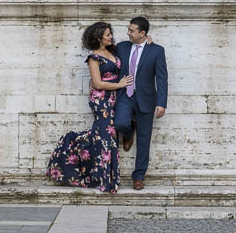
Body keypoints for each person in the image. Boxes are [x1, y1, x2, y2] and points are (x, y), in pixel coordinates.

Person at [45, 22, 132, 193]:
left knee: (104, 136)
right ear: (98, 38)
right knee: (106, 137)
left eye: (110, 33)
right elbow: (98, 83)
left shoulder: (113, 51)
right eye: (107, 34)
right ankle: (104, 180)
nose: (111, 37)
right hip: (101, 99)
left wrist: (148, 40)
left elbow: (132, 47)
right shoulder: (93, 58)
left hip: (115, 97)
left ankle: (104, 176)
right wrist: (119, 84)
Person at [114, 16, 168, 190]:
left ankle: (138, 177)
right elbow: (104, 53)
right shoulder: (122, 46)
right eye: (128, 30)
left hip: (146, 99)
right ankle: (129, 132)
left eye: (132, 31)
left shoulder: (157, 51)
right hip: (125, 95)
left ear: (142, 33)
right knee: (120, 123)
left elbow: (162, 78)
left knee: (144, 140)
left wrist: (162, 103)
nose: (128, 33)